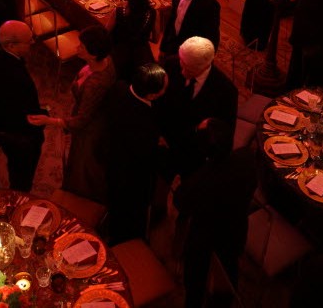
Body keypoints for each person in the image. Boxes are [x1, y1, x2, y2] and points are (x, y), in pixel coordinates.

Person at [174, 118, 259, 308]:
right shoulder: (247, 159)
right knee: (228, 271)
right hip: (235, 231)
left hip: (204, 239)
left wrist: (179, 186)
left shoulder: (198, 182)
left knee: (195, 280)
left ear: (203, 150)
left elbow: (180, 202)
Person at [28, 26, 116, 203]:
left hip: (89, 129)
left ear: (93, 55)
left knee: (83, 170)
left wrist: (49, 120)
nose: (77, 48)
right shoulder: (105, 60)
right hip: (88, 114)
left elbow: (80, 122)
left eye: (82, 47)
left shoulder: (95, 85)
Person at [157, 36, 238, 177]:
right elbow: (159, 102)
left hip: (193, 155)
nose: (182, 72)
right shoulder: (171, 64)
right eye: (182, 64)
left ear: (206, 65)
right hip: (164, 142)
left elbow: (224, 135)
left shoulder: (226, 92)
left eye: (189, 69)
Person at [106, 62, 167, 244]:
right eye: (165, 88)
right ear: (152, 95)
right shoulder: (143, 124)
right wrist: (158, 144)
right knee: (128, 218)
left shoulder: (119, 88)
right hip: (131, 177)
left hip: (112, 160)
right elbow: (146, 155)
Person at [0, 21, 44, 192]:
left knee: (15, 169)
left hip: (5, 127)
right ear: (11, 45)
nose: (33, 42)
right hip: (20, 136)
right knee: (21, 176)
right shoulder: (16, 78)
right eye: (29, 40)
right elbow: (21, 111)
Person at [108, 0, 156, 81]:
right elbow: (155, 39)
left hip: (120, 58)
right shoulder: (153, 12)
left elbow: (105, 34)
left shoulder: (118, 12)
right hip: (142, 58)